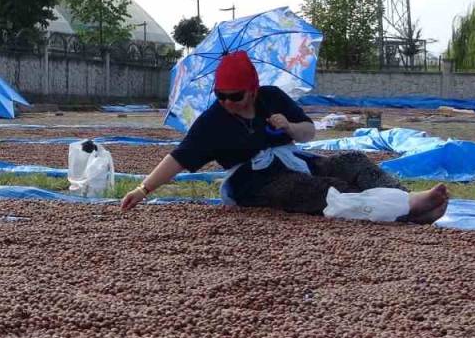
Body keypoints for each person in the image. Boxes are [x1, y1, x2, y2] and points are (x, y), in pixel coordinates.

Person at [120, 51, 449, 223]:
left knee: (353, 161)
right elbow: (179, 158)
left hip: (295, 159)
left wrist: (289, 128)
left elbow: (308, 132)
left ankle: (403, 199)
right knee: (321, 190)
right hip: (255, 182)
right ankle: (406, 208)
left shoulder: (273, 97)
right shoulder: (213, 121)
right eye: (220, 95)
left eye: (234, 95)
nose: (226, 102)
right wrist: (143, 188)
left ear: (252, 89)